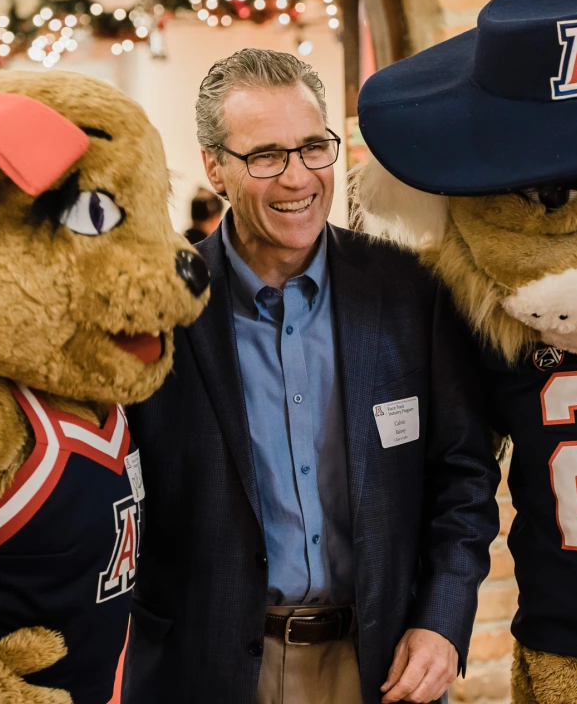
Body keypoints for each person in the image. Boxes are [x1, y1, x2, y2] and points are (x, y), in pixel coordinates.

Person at [121, 48, 500, 704]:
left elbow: (463, 474)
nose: (298, 178)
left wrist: (442, 619)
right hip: (208, 667)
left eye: (313, 147)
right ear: (214, 167)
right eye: (265, 155)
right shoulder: (157, 308)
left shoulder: (410, 292)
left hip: (382, 665)